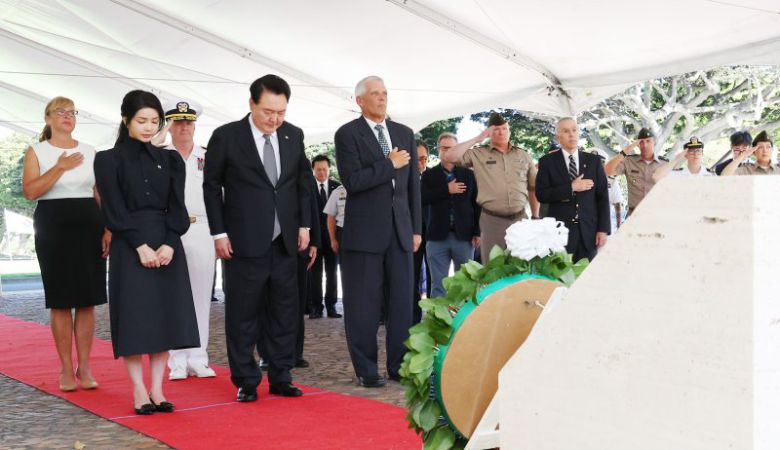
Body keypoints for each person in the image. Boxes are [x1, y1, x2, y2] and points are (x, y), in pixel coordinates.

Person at [203, 74, 312, 402]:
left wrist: (305, 226)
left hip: (285, 242)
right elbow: (211, 186)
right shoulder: (227, 137)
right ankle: (246, 380)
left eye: (281, 112)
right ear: (251, 103)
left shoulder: (293, 135)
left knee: (284, 312)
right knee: (242, 314)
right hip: (241, 242)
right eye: (268, 111)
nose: (274, 119)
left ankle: (281, 375)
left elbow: (302, 183)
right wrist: (218, 232)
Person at [94, 90, 199, 415]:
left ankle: (157, 389)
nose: (149, 127)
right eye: (142, 121)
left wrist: (169, 242)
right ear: (126, 120)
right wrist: (140, 246)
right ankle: (138, 390)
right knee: (135, 317)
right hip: (130, 244)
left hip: (167, 242)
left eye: (155, 121)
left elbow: (178, 208)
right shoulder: (107, 159)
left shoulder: (170, 160)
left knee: (165, 316)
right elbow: (113, 209)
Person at [334, 75, 421, 388]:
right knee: (363, 306)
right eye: (375, 94)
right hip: (364, 234)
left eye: (385, 93)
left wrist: (416, 229)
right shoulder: (348, 134)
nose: (382, 98)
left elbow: (413, 186)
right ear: (360, 100)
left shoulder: (404, 133)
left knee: (401, 304)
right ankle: (366, 370)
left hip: (400, 232)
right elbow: (353, 181)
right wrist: (389, 163)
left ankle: (398, 366)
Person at [22, 96, 108, 392]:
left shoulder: (90, 151)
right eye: (61, 111)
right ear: (47, 118)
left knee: (87, 300)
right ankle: (65, 369)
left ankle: (85, 367)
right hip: (53, 227)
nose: (67, 116)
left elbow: (99, 192)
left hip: (89, 225)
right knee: (60, 301)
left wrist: (108, 227)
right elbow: (31, 191)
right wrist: (59, 167)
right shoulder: (37, 151)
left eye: (72, 112)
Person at [160, 99, 218, 381]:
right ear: (169, 125)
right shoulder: (159, 156)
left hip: (202, 228)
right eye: (177, 121)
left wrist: (222, 234)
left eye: (188, 121)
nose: (184, 126)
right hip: (169, 231)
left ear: (194, 125)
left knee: (200, 296)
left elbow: (222, 198)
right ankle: (176, 360)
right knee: (171, 296)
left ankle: (198, 357)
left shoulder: (209, 157)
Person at [443, 112, 539, 262]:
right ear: (489, 133)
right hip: (492, 221)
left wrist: (535, 216)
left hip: (520, 220)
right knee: (492, 269)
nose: (501, 132)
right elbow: (450, 156)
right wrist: (477, 138)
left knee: (522, 267)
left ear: (509, 131)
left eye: (504, 128)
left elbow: (533, 187)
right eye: (496, 129)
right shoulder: (478, 154)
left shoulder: (523, 155)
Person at [535, 117, 610, 262]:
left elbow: (602, 197)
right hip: (559, 233)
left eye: (574, 130)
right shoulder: (547, 162)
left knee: (586, 279)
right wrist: (571, 188)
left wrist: (603, 229)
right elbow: (541, 194)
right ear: (558, 137)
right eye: (566, 131)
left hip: (588, 232)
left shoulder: (593, 161)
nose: (571, 134)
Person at [421, 132, 480, 298]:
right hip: (436, 237)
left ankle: (463, 321)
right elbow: (422, 199)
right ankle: (439, 320)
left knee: (464, 284)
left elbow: (476, 204)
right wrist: (446, 190)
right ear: (438, 150)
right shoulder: (428, 175)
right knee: (438, 284)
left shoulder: (468, 175)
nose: (449, 151)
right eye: (445, 148)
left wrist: (477, 232)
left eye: (453, 147)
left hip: (464, 237)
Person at [309, 154, 341, 319]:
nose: (321, 172)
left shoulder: (338, 187)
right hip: (313, 239)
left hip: (332, 238)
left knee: (332, 273)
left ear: (329, 170)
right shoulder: (307, 188)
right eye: (318, 169)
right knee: (315, 274)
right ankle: (316, 307)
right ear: (313, 170)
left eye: (324, 169)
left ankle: (332, 306)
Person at [604, 127, 665, 216]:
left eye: (648, 141)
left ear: (654, 142)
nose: (645, 145)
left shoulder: (664, 164)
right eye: (641, 142)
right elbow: (607, 171)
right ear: (637, 144)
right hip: (633, 215)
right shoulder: (629, 162)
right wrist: (627, 149)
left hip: (657, 215)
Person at [412, 139, 431, 323]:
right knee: (412, 277)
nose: (422, 163)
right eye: (418, 159)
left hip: (432, 234)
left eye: (424, 158)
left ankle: (434, 319)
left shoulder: (433, 177)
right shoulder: (402, 179)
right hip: (411, 235)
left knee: (434, 278)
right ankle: (413, 319)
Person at [323, 184, 347, 253]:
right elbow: (331, 217)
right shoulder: (337, 191)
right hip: (342, 232)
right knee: (344, 261)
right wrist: (333, 240)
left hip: (364, 231)